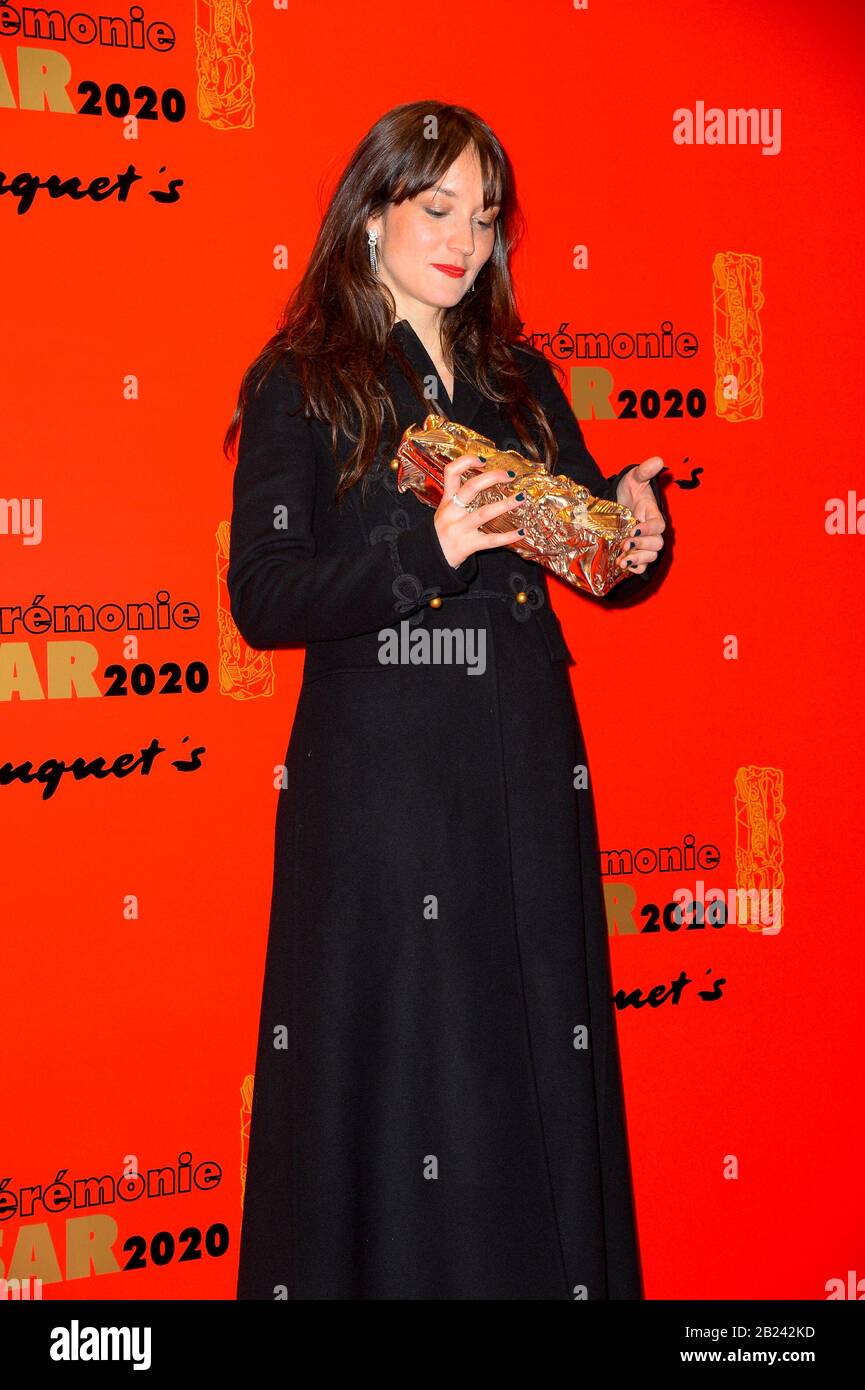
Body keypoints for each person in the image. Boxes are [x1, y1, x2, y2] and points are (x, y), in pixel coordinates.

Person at [225, 100, 667, 1301]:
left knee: (520, 1053)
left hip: (522, 764)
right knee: (410, 1065)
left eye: (482, 215)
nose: (465, 238)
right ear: (373, 210)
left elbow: (593, 558)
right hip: (384, 786)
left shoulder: (520, 378)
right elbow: (262, 595)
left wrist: (633, 535)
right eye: (437, 208)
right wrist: (426, 555)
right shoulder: (303, 379)